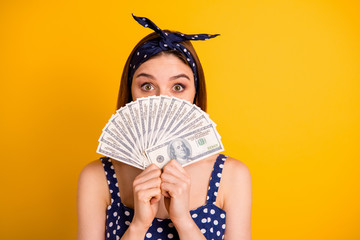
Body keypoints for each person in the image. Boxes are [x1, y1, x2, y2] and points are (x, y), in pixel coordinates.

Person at [77, 14, 252, 240]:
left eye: (178, 86)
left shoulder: (232, 176)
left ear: (195, 95)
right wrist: (139, 225)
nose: (162, 100)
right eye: (147, 85)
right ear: (130, 92)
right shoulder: (97, 178)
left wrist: (184, 221)